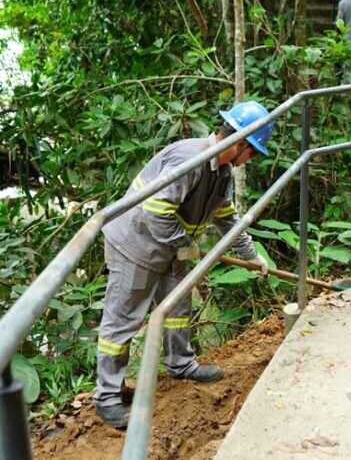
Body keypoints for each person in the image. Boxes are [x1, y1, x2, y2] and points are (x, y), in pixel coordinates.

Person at [94, 101, 274, 428]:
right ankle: (108, 397)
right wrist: (186, 246)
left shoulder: (222, 174)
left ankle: (180, 364)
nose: (251, 160)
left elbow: (227, 219)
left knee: (177, 307)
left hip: (171, 247)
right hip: (134, 244)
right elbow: (156, 212)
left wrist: (252, 256)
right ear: (240, 144)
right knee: (123, 319)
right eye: (254, 152)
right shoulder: (191, 159)